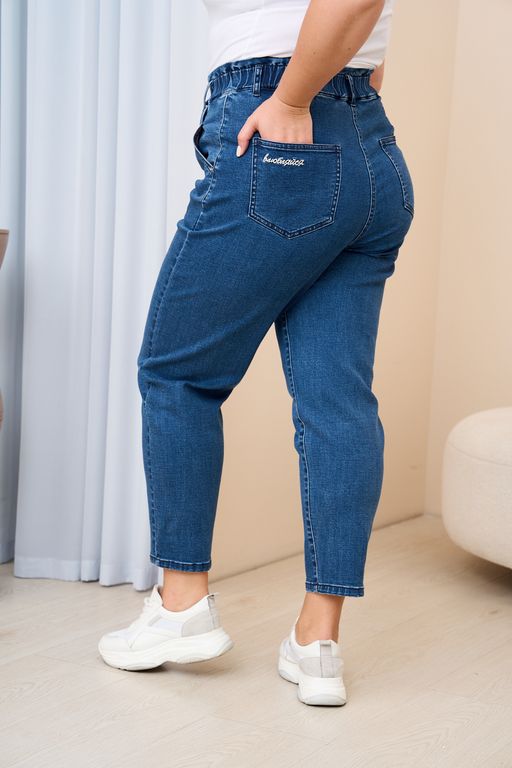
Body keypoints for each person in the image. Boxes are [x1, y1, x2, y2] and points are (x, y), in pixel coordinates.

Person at [98, 0, 414, 708]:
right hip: (372, 150)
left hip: (282, 120)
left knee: (178, 373)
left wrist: (294, 98)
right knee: (338, 402)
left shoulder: (289, 103)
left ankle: (181, 606)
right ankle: (318, 643)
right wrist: (334, 105)